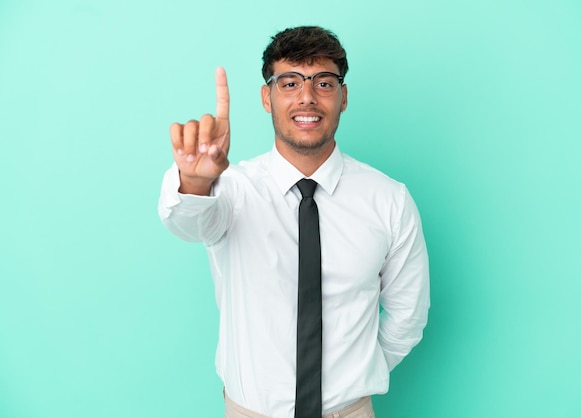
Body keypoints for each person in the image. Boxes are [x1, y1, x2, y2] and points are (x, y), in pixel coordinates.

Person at [158, 26, 430, 418]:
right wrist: (197, 181)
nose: (307, 97)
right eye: (289, 82)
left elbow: (408, 315)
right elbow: (186, 223)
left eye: (323, 82)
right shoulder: (232, 190)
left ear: (343, 97)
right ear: (267, 98)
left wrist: (352, 379)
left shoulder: (388, 200)